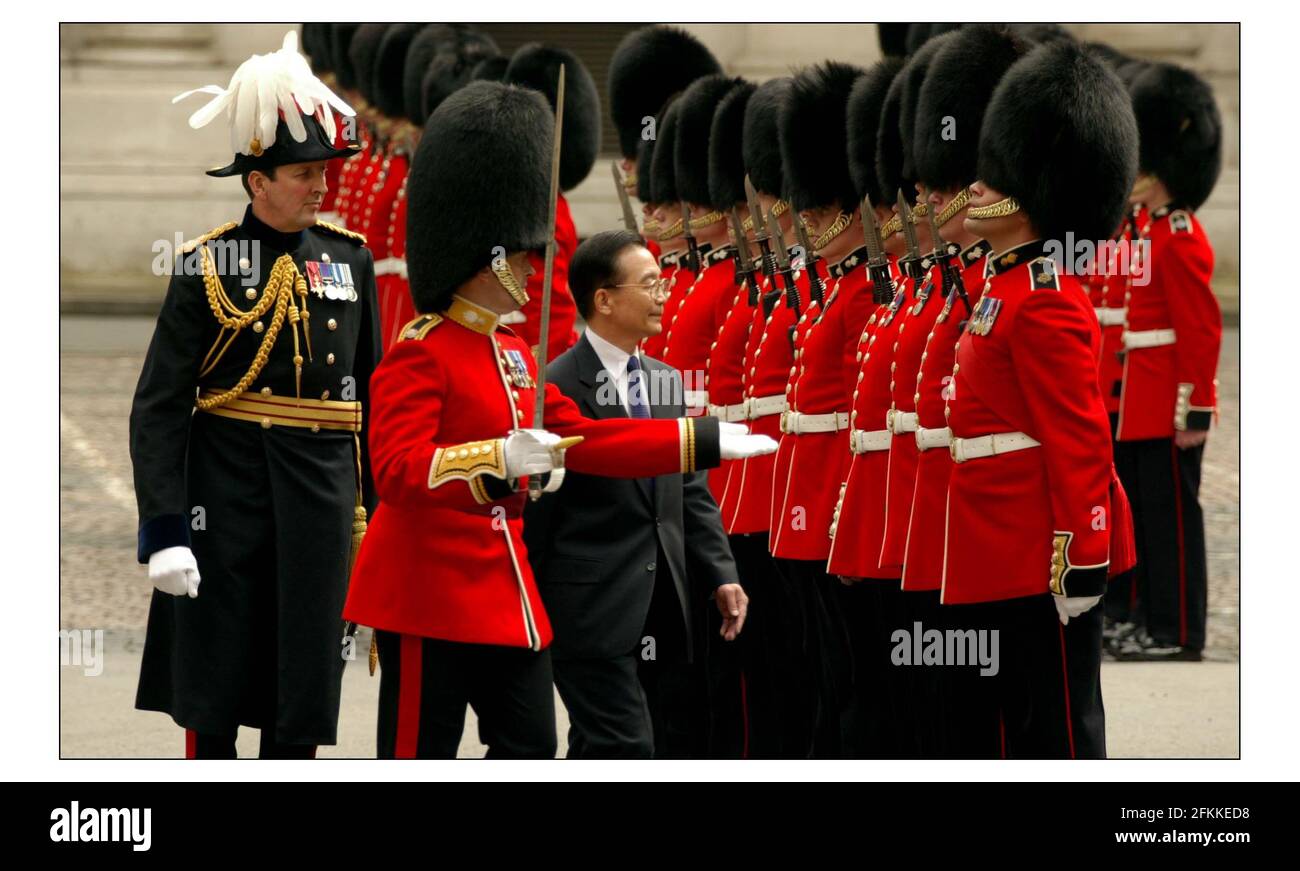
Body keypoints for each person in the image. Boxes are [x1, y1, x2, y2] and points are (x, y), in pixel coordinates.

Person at [340, 81, 776, 759]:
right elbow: (395, 470)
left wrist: (702, 439)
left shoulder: (513, 353)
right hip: (423, 590)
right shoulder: (419, 352)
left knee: (531, 746)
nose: (532, 265)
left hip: (500, 586)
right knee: (417, 754)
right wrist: (495, 459)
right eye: (520, 255)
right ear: (488, 258)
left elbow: (594, 439)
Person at [130, 31, 378, 759]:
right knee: (213, 694)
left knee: (298, 703)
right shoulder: (204, 265)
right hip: (225, 498)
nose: (321, 185)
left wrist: (381, 528)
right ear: (257, 181)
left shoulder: (349, 260)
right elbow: (160, 408)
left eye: (323, 171)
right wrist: (165, 530)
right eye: (303, 173)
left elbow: (370, 402)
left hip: (321, 505)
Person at [939, 39, 1138, 758]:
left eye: (992, 184)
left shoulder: (1047, 300)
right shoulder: (1003, 289)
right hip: (990, 540)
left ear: (1033, 194)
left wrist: (1081, 553)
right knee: (1005, 727)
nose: (976, 193)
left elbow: (1079, 437)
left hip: (1035, 549)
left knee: (1057, 731)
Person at [523, 229, 747, 758]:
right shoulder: (554, 386)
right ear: (603, 299)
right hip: (590, 606)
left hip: (665, 598)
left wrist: (721, 574)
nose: (662, 295)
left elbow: (689, 490)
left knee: (637, 742)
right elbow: (541, 512)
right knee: (624, 745)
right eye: (649, 285)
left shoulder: (664, 379)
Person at [1110, 62, 1223, 662]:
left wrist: (1195, 409)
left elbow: (1199, 331)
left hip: (1166, 406)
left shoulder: (1178, 236)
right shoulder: (1148, 230)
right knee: (1149, 526)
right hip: (1140, 401)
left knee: (1174, 526)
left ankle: (1179, 632)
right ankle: (1150, 622)